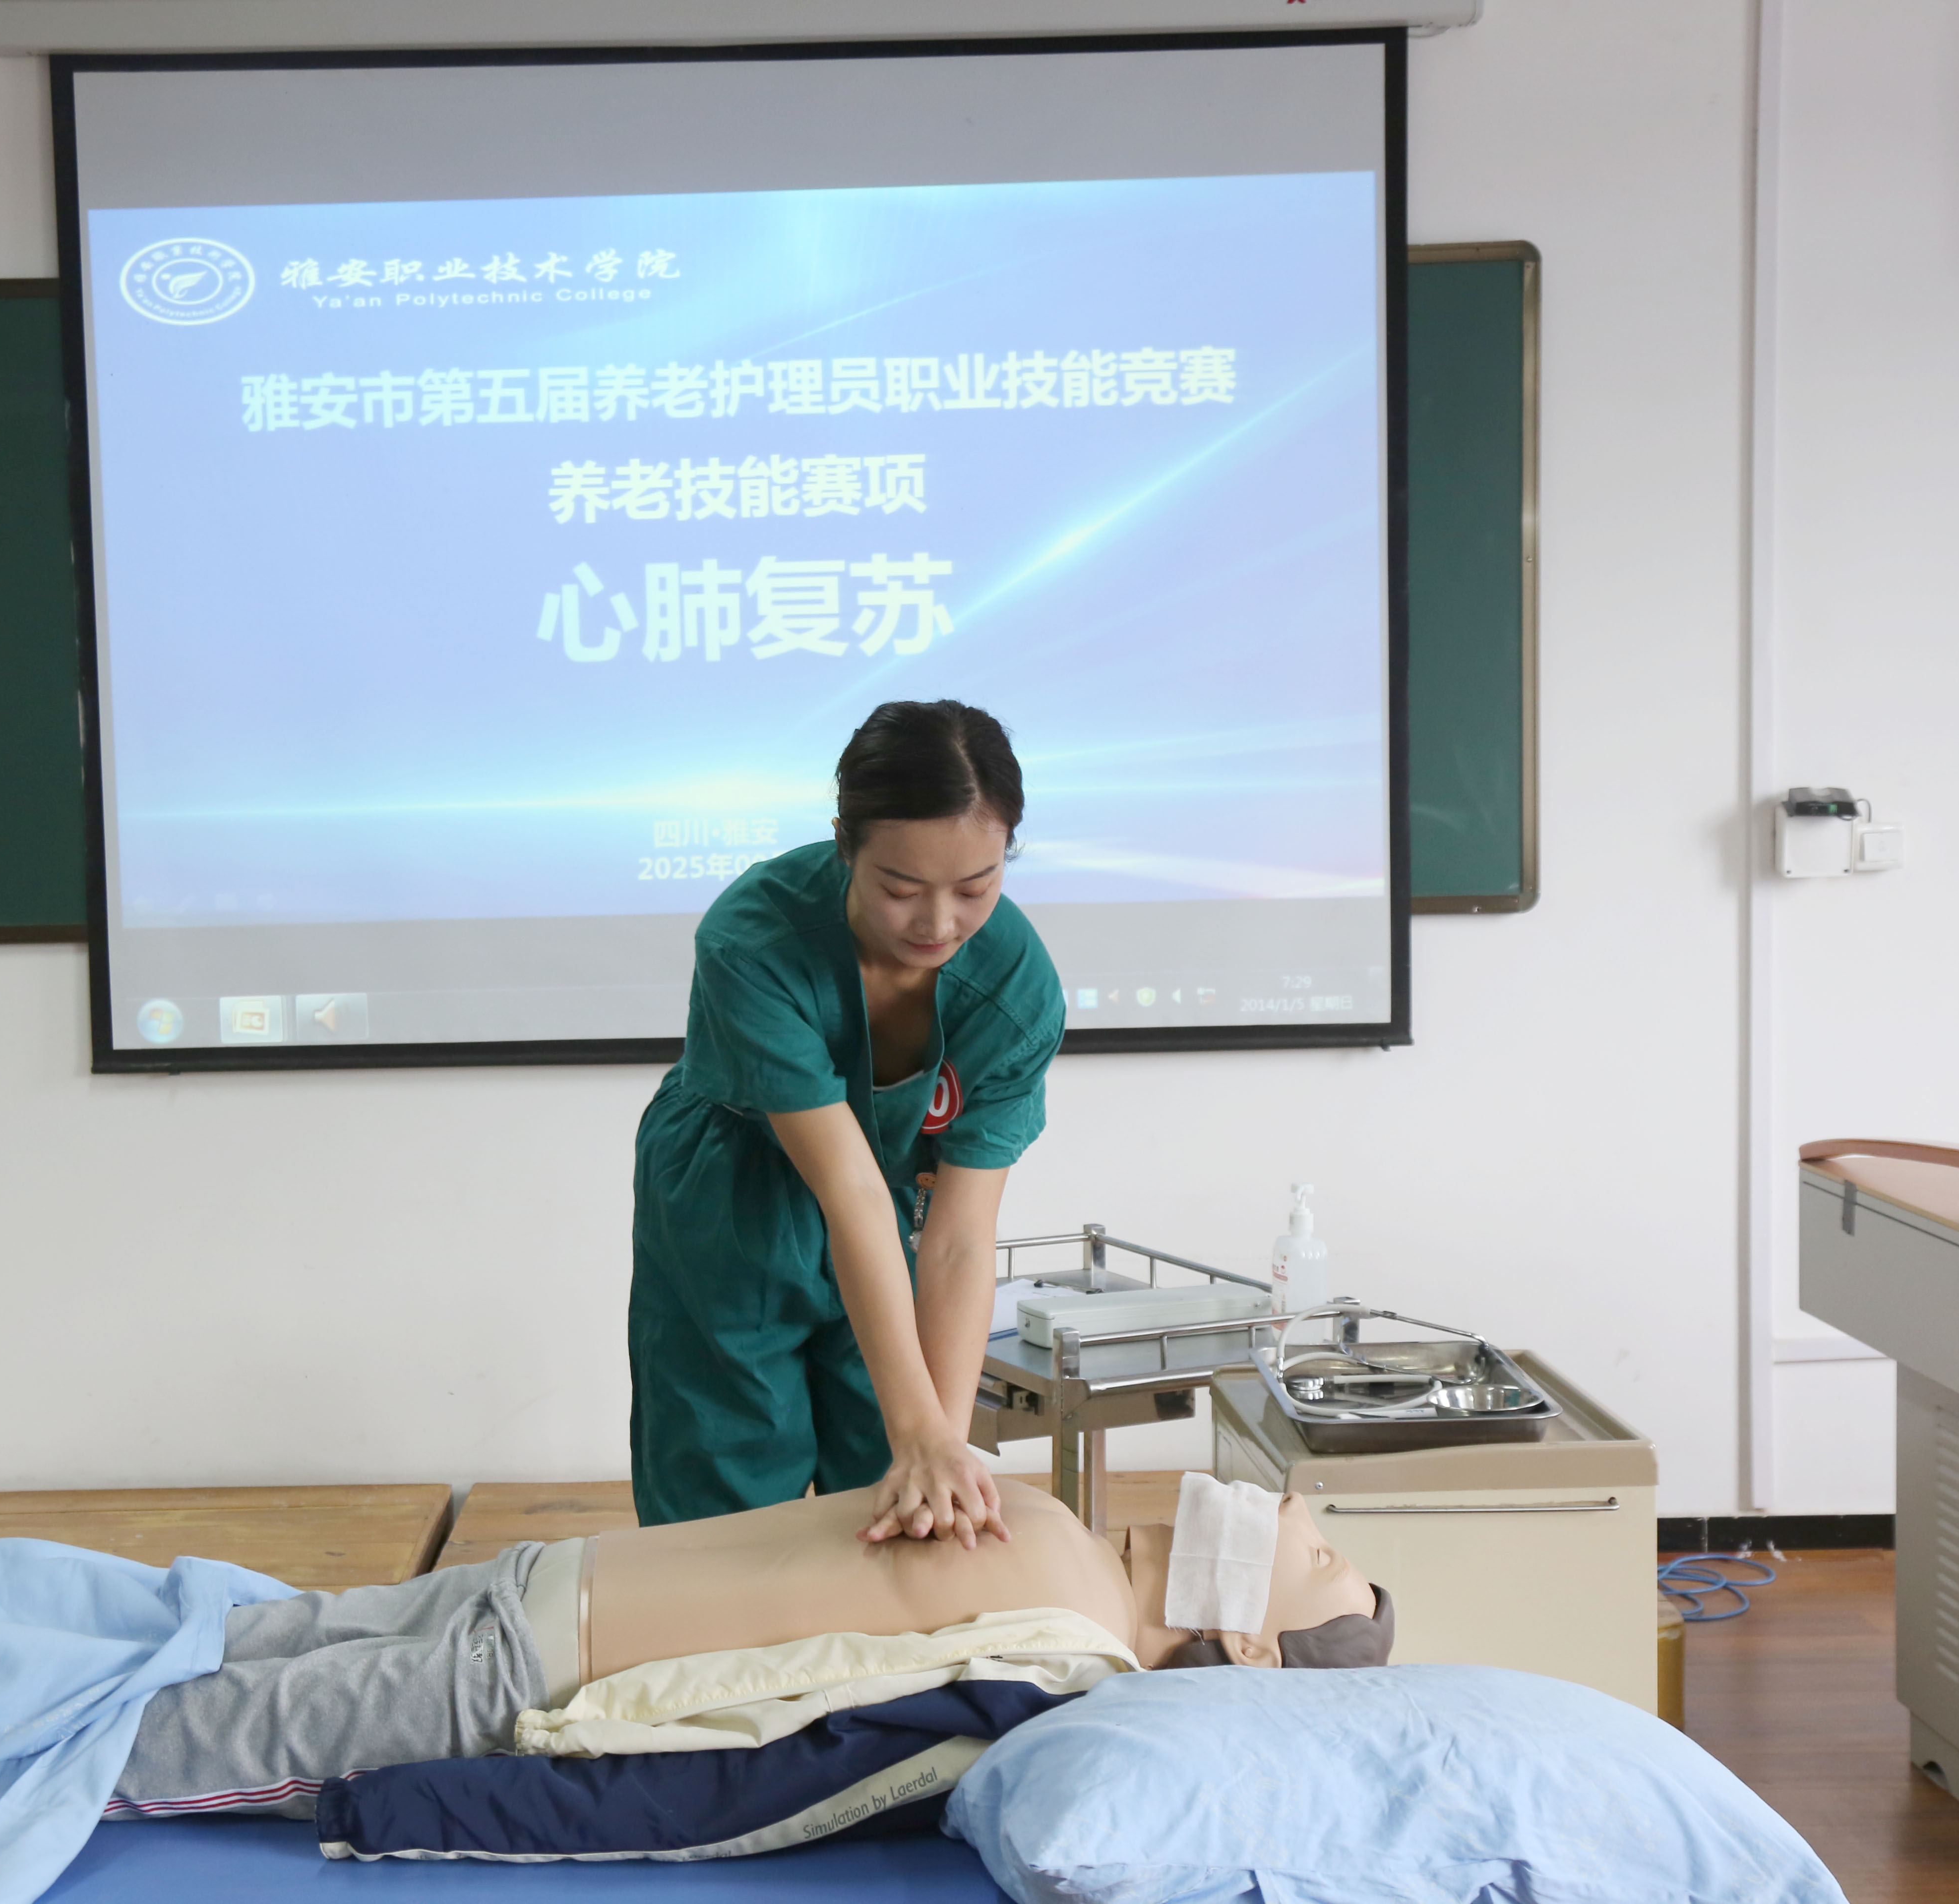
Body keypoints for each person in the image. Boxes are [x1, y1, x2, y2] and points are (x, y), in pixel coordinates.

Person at [110, 1478, 1387, 1818]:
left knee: (132, 1749)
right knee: (176, 1652)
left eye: (1316, 1553)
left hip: (511, 1682)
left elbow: (806, 1758)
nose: (1290, 1508)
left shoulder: (1070, 1656)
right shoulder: (1065, 1543)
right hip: (524, 1583)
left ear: (1249, 1645)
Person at [628, 701, 1066, 1546]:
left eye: (975, 888)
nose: (938, 924)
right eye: (900, 889)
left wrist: (940, 1443)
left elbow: (960, 1238)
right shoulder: (754, 940)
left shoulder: (1016, 987)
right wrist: (921, 1433)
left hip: (899, 1203)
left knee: (903, 1485)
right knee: (727, 1492)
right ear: (844, 843)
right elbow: (848, 1188)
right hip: (733, 1196)